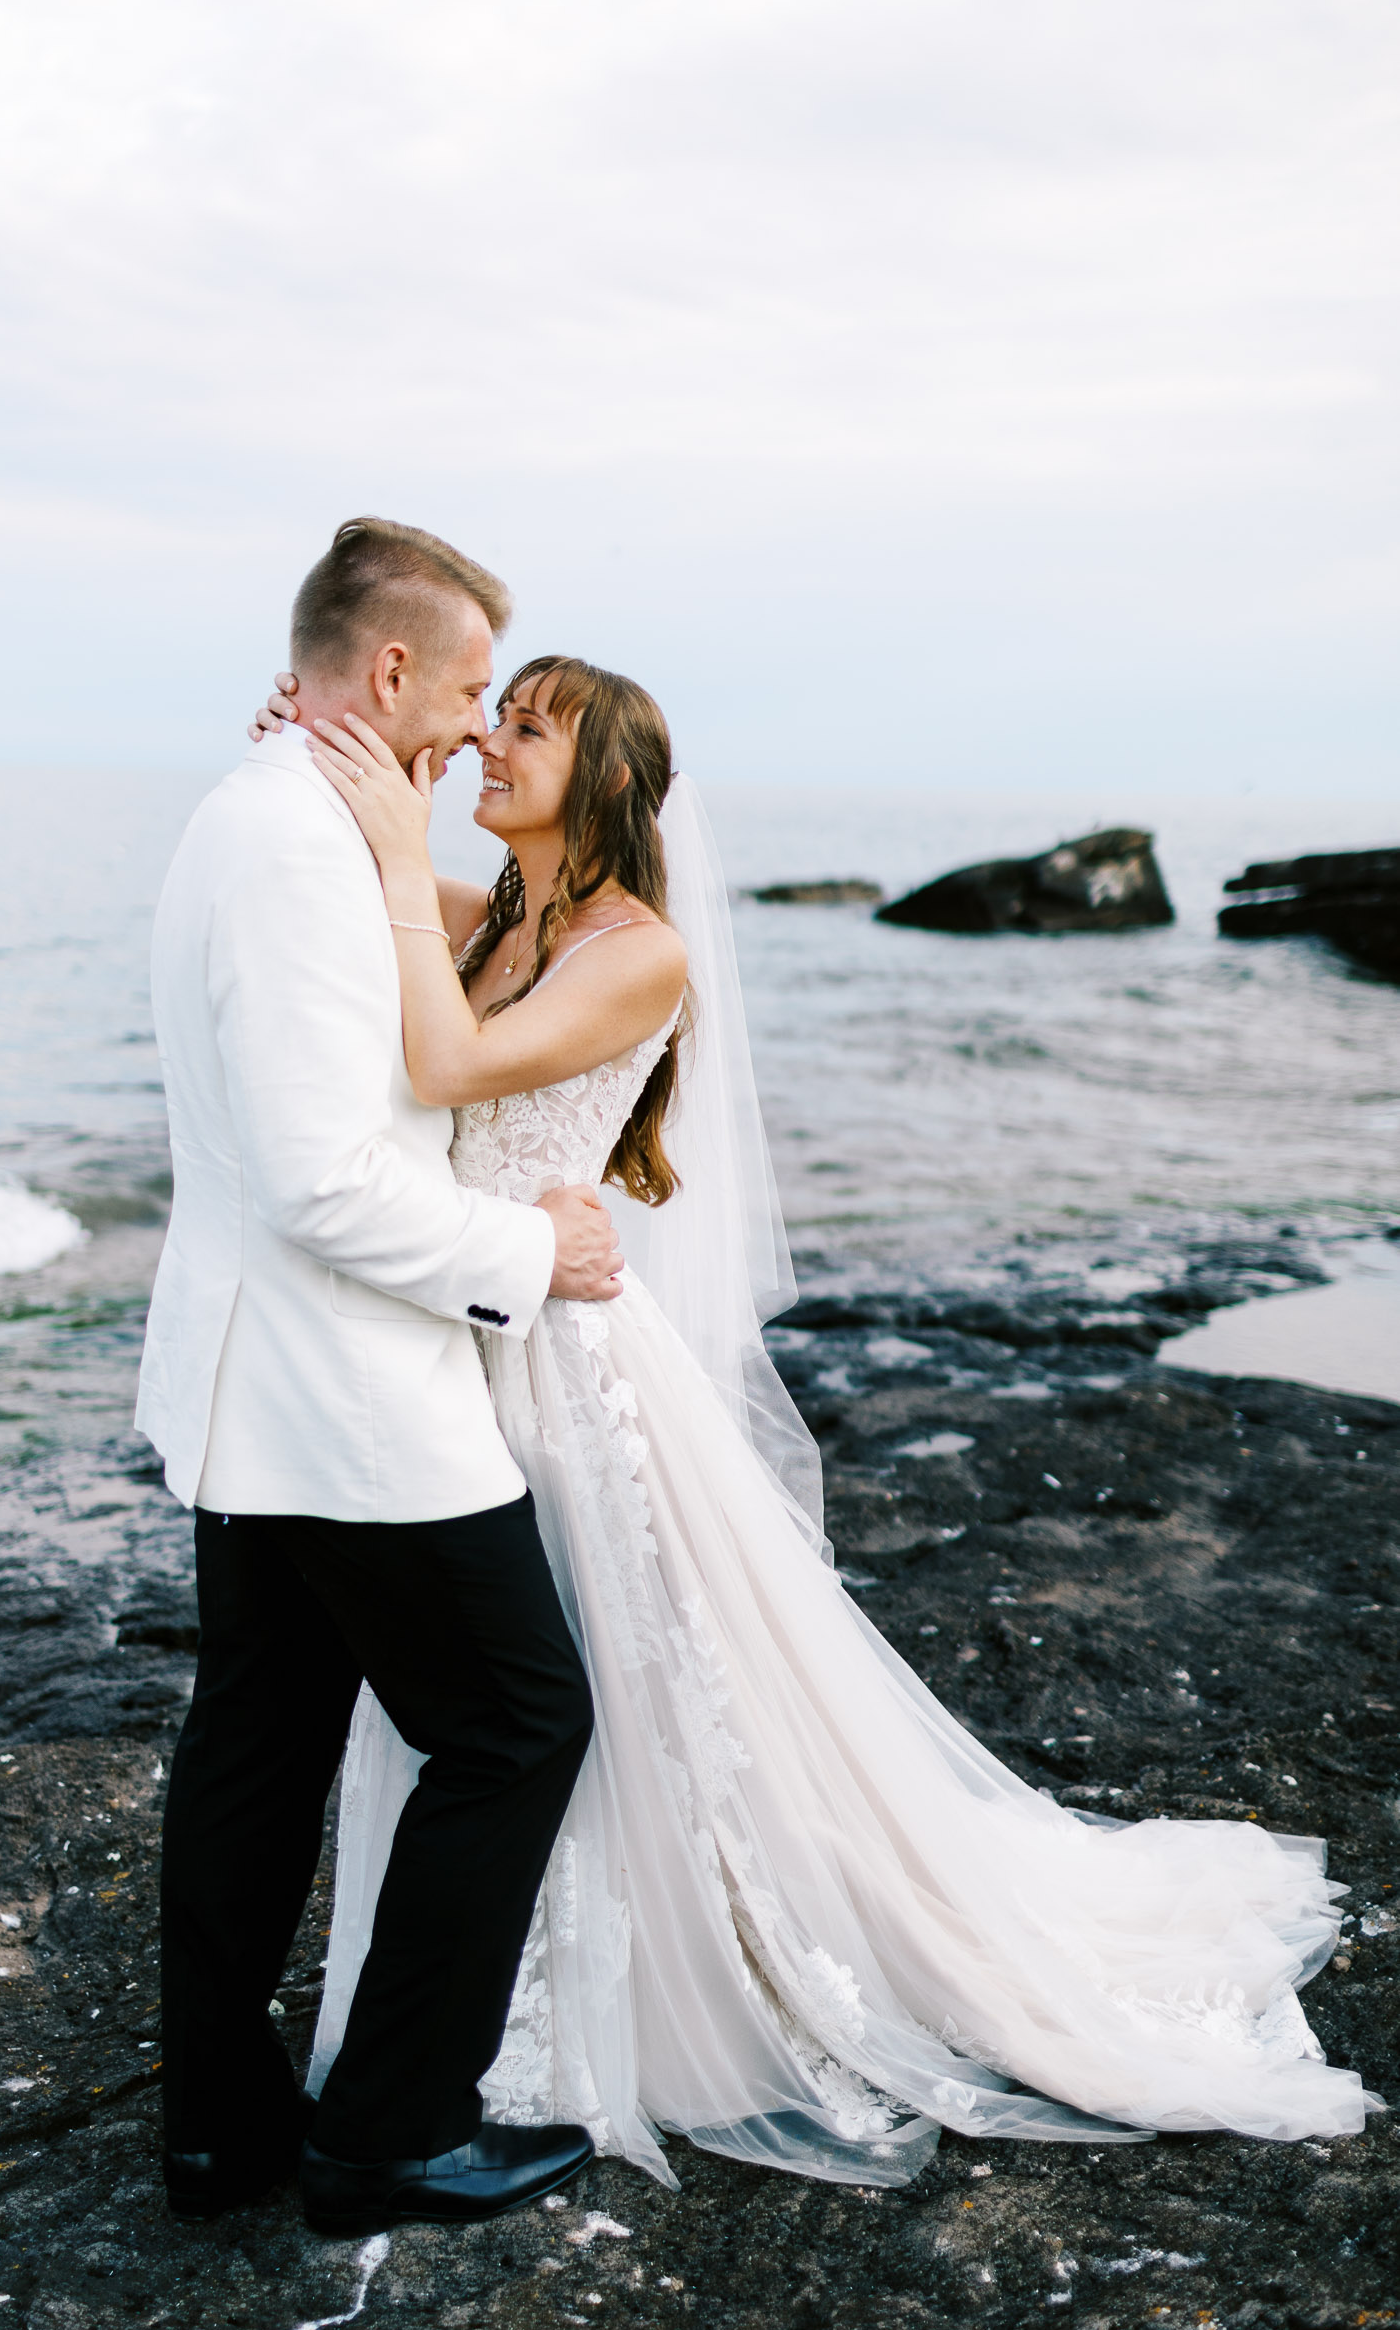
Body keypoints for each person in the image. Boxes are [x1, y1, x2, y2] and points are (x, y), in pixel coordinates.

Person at [254, 651, 1377, 2187]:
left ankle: (654, 1980)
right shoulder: (501, 917)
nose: (495, 743)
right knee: (504, 1699)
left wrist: (396, 844)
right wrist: (323, 757)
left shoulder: (635, 953)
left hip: (566, 1365)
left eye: (531, 727)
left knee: (596, 1686)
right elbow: (361, 923)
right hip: (467, 1341)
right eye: (494, 715)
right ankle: (478, 1999)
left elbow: (445, 1059)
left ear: (610, 781)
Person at [139, 519, 626, 2239]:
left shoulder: (269, 814)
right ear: (396, 669)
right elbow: (318, 1178)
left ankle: (221, 2135)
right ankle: (391, 2134)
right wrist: (530, 1260)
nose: (480, 726)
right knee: (517, 1724)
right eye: (472, 686)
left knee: (260, 1743)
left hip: (256, 1387)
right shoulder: (289, 848)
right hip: (347, 1400)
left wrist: (385, 806)